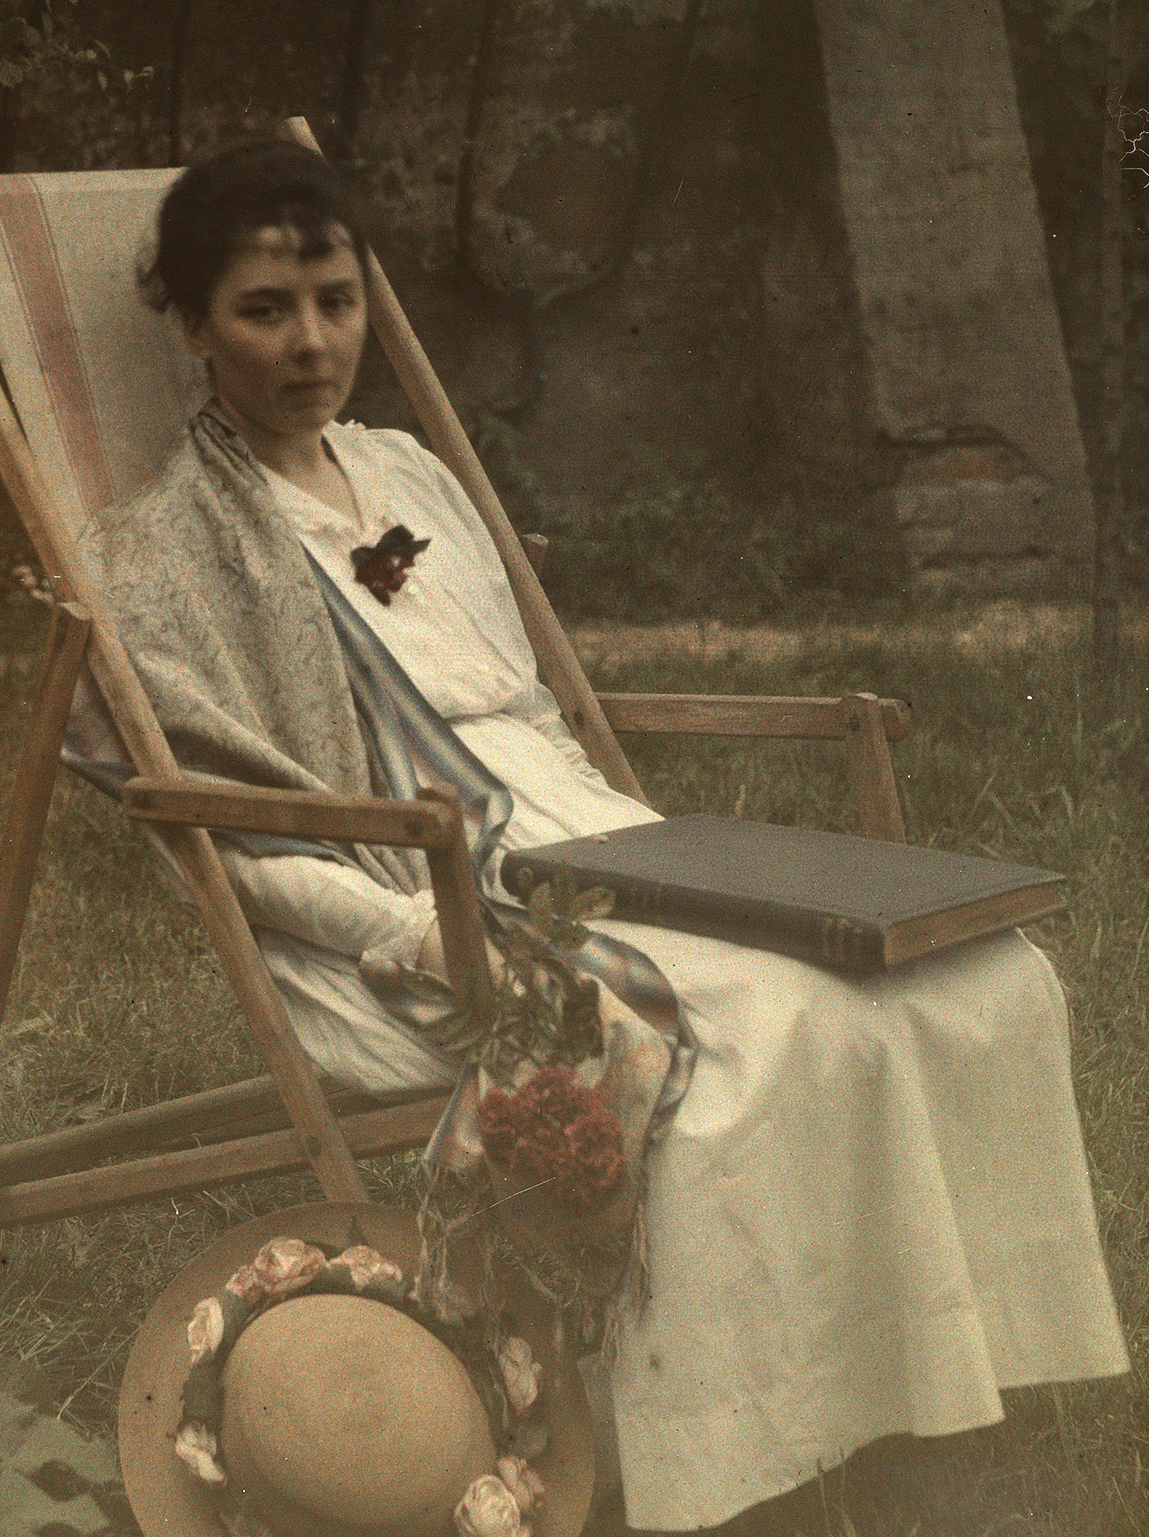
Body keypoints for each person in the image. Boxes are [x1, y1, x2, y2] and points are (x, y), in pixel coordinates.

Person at [74, 140, 1129, 1532]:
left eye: (336, 297)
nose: (311, 339)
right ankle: (739, 1458)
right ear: (197, 324)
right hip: (420, 873)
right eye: (266, 308)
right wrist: (416, 929)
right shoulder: (168, 552)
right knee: (781, 1034)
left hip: (592, 829)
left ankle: (928, 1391)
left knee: (982, 987)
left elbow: (507, 686)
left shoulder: (402, 469)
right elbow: (224, 831)